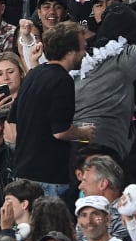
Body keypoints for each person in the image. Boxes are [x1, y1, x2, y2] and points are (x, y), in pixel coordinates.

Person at [9, 21, 95, 196]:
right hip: (49, 178)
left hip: (22, 173)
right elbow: (60, 131)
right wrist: (84, 133)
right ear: (70, 51)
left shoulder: (34, 74)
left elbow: (11, 120)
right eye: (82, 48)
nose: (85, 53)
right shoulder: (62, 80)